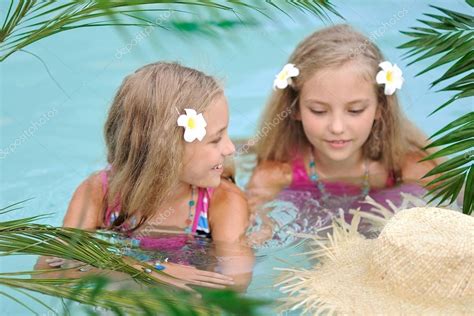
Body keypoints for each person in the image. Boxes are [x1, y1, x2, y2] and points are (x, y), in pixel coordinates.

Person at [37, 62, 252, 290]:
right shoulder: (98, 192)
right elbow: (45, 275)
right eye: (216, 140)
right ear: (167, 150)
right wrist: (146, 270)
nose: (230, 149)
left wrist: (103, 267)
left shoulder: (223, 201)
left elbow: (235, 284)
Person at [246, 24, 438, 242]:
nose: (337, 127)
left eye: (355, 110)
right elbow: (249, 238)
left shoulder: (410, 169)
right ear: (295, 109)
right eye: (319, 111)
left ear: (380, 108)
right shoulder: (276, 175)